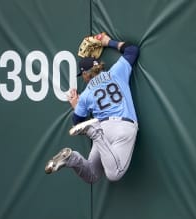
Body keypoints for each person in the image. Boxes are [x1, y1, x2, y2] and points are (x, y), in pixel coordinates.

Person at [45, 32, 140, 184]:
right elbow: (132, 50)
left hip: (103, 128)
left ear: (85, 75)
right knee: (114, 174)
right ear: (99, 65)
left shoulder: (86, 95)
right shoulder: (115, 72)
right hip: (122, 127)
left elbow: (77, 122)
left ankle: (73, 158)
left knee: (92, 175)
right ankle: (92, 135)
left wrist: (76, 105)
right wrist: (108, 42)